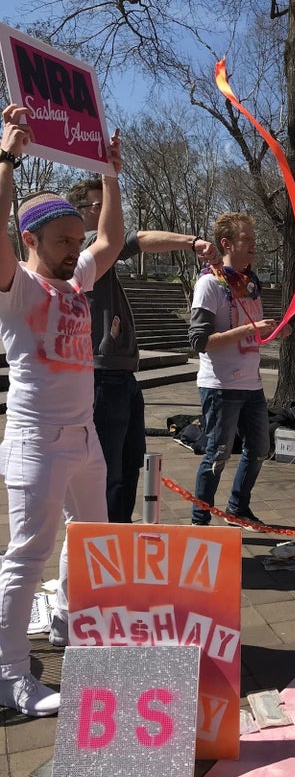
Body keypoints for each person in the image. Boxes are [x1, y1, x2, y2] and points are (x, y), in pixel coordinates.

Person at [0, 104, 124, 716]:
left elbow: (114, 239)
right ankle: (10, 676)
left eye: (77, 241)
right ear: (30, 240)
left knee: (92, 534)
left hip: (83, 435)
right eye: (62, 242)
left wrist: (110, 175)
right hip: (36, 438)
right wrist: (7, 158)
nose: (76, 251)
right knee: (26, 555)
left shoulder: (77, 283)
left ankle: (72, 618)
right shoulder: (19, 287)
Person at [66, 178, 220, 524]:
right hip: (103, 377)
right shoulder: (88, 247)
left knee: (127, 465)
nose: (109, 215)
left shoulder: (97, 258)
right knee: (108, 472)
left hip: (121, 377)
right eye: (100, 207)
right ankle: (101, 542)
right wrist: (192, 242)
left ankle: (117, 537)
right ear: (81, 215)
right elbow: (138, 240)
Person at [188, 212, 289, 527]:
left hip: (251, 386)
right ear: (226, 243)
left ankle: (237, 509)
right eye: (247, 241)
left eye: (254, 242)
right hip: (220, 386)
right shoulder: (209, 284)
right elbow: (199, 341)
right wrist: (249, 330)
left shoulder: (250, 284)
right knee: (217, 455)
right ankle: (199, 520)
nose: (254, 249)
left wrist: (272, 333)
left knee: (260, 449)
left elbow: (251, 331)